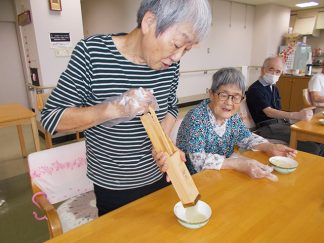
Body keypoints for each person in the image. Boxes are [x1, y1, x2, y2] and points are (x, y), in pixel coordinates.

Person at [41, 0, 212, 216]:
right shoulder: (92, 53)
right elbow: (51, 119)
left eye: (186, 50)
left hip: (159, 175)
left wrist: (162, 143)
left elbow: (171, 107)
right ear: (149, 22)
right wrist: (115, 108)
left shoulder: (170, 65)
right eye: (177, 45)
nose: (178, 57)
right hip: (115, 185)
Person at [175, 67, 296, 180]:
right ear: (211, 94)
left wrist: (269, 147)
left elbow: (246, 137)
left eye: (236, 97)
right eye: (223, 95)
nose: (229, 102)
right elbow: (198, 161)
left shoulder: (232, 117)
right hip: (193, 180)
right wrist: (238, 163)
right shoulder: (196, 118)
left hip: (220, 174)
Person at [246, 56, 324, 156]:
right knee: (313, 147)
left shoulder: (274, 88)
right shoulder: (255, 89)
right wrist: (296, 115)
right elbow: (269, 112)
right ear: (262, 70)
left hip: (280, 125)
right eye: (271, 69)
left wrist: (295, 118)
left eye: (278, 72)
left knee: (318, 141)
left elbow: (279, 110)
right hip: (267, 127)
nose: (274, 74)